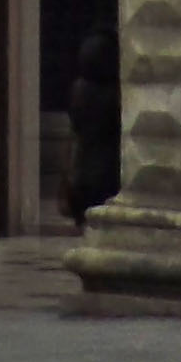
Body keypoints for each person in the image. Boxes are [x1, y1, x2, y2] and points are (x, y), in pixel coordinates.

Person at [65, 27, 123, 220]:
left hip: (82, 169)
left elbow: (75, 130)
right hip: (108, 169)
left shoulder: (79, 91)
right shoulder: (114, 95)